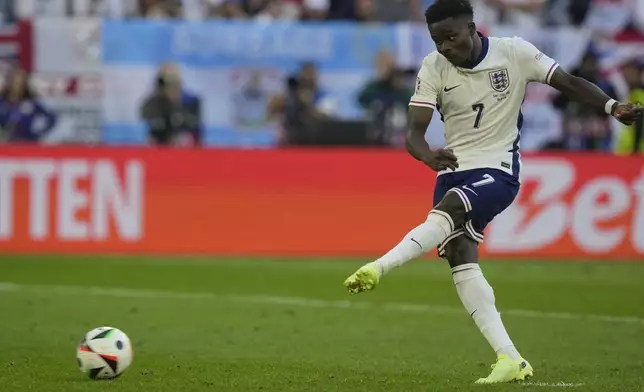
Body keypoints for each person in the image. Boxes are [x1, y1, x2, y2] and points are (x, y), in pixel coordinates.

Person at [343, 0, 644, 385]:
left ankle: (378, 267)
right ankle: (510, 359)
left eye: (451, 37)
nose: (445, 47)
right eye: (437, 40)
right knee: (459, 255)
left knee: (450, 211)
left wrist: (611, 105)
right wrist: (426, 157)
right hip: (451, 169)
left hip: (497, 170)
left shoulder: (514, 52)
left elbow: (566, 82)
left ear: (472, 27)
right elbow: (414, 133)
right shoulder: (433, 67)